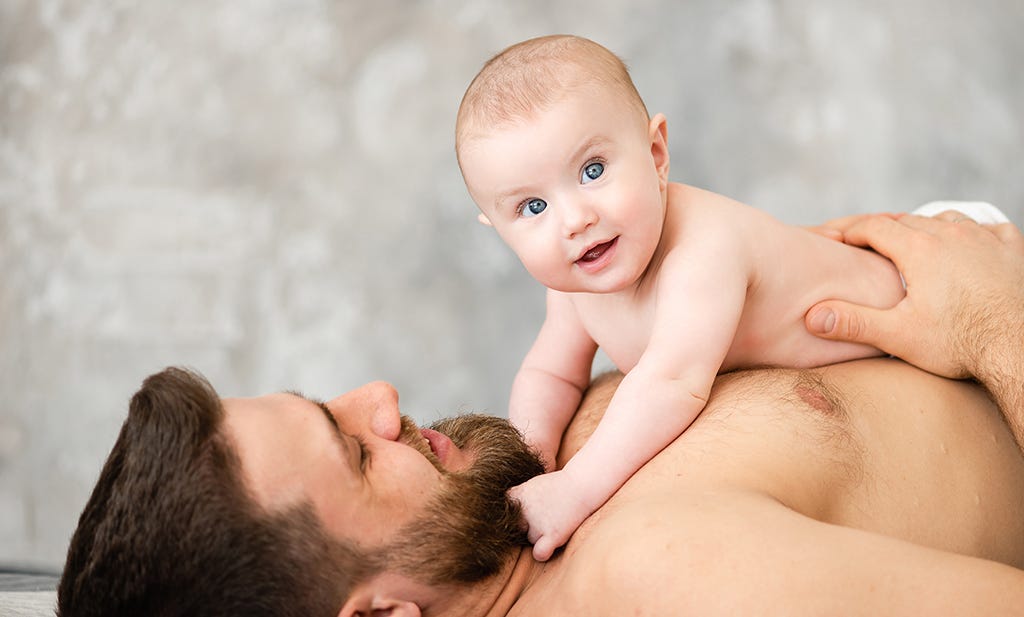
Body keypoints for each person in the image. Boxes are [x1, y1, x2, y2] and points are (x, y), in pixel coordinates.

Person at [58, 210, 1024, 615]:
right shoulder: (678, 584)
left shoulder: (530, 503)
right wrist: (996, 324)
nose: (381, 401)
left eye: (333, 401)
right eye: (353, 450)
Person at [453, 34, 1007, 559]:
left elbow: (672, 382)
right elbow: (551, 375)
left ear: (656, 153)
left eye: (592, 171)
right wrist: (533, 463)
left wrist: (573, 487)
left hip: (929, 283)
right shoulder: (574, 286)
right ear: (496, 228)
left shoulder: (702, 250)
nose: (576, 219)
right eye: (532, 208)